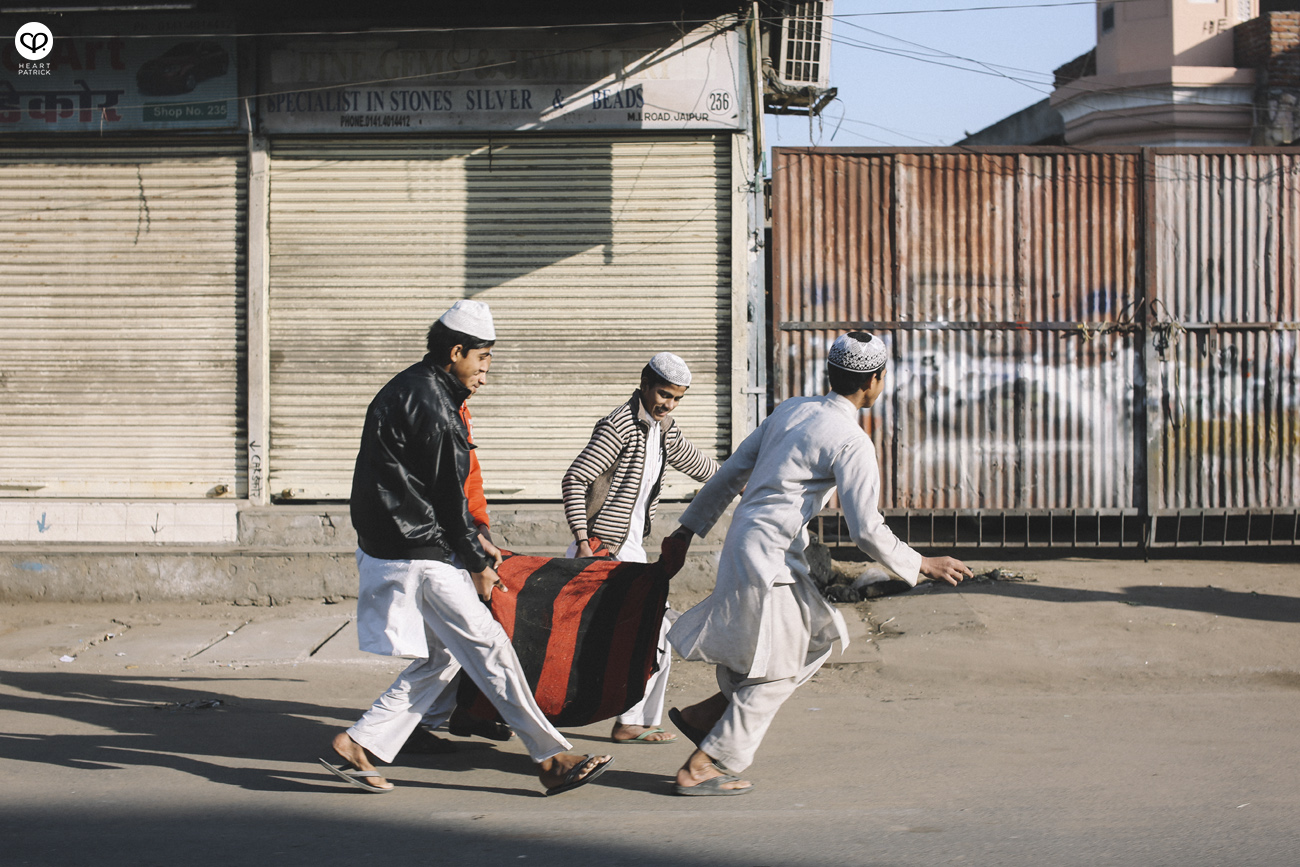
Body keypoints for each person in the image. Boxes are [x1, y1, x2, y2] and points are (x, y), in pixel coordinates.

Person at [662, 331, 973, 795]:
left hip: (752, 546)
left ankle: (707, 714)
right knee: (779, 668)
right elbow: (865, 529)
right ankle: (705, 764)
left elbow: (730, 474)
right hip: (770, 560)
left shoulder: (792, 410)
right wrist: (921, 563)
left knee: (817, 638)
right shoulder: (852, 440)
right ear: (874, 380)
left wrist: (687, 529)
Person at [321, 299, 612, 795]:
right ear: (456, 351)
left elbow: (419, 486)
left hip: (398, 544)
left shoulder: (410, 386)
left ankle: (361, 743)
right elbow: (447, 494)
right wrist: (476, 559)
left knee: (445, 657)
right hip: (418, 553)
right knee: (489, 647)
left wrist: (474, 542)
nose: (485, 372)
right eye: (482, 359)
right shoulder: (435, 406)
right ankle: (553, 757)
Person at [561, 352, 720, 745]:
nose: (668, 404)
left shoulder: (662, 428)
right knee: (657, 633)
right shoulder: (618, 426)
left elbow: (697, 463)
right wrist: (583, 541)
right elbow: (574, 479)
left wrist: (740, 482)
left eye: (677, 398)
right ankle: (629, 720)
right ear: (645, 384)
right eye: (663, 394)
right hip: (604, 552)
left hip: (629, 552)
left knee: (652, 634)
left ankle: (632, 719)